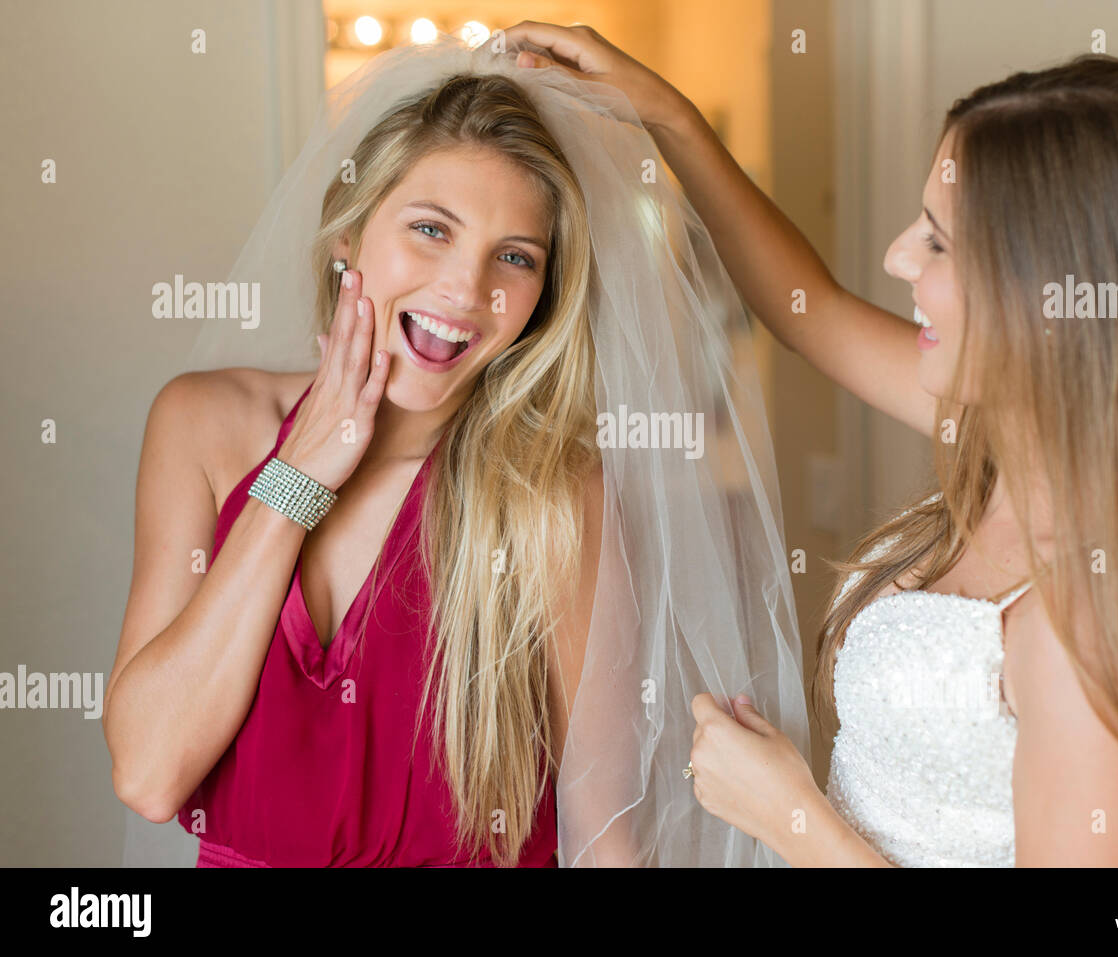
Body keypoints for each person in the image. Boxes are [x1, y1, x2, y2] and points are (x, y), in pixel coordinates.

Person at [506, 22, 1118, 866]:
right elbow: (808, 309)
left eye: (938, 240)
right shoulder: (1006, 437)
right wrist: (669, 117)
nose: (894, 257)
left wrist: (791, 815)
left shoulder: (1104, 623)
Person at [105, 35, 809, 867]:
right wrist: (298, 474)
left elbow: (604, 838)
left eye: (515, 257)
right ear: (349, 232)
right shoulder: (203, 423)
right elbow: (150, 773)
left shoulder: (554, 489)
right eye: (431, 229)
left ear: (541, 298)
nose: (466, 291)